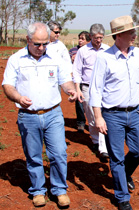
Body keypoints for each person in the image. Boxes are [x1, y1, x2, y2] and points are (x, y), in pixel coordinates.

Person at [1, 22, 77, 207]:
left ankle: (59, 189)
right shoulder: (16, 59)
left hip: (53, 114)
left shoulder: (54, 58)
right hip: (28, 116)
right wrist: (18, 97)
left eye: (45, 43)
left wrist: (71, 90)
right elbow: (7, 85)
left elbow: (65, 81)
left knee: (59, 153)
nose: (41, 48)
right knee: (34, 155)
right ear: (28, 40)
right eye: (37, 44)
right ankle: (38, 190)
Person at [89, 15, 139, 210]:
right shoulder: (104, 58)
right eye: (132, 32)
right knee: (116, 157)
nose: (135, 35)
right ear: (119, 35)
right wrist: (98, 117)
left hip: (135, 112)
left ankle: (125, 174)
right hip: (112, 115)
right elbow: (95, 89)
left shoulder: (137, 53)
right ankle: (122, 197)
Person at [72, 24, 109, 158]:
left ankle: (103, 147)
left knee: (102, 115)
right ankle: (95, 140)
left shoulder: (107, 50)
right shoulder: (83, 51)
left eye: (101, 37)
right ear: (90, 36)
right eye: (96, 38)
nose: (99, 40)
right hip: (87, 87)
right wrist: (78, 89)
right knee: (92, 116)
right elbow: (76, 71)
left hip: (104, 88)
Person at [69, 31, 91, 132]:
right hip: (78, 80)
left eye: (82, 39)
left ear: (88, 40)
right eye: (79, 38)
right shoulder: (73, 50)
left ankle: (92, 123)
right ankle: (81, 123)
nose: (80, 41)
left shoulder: (91, 50)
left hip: (89, 80)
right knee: (80, 102)